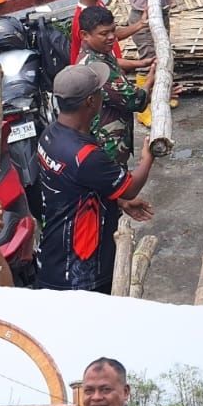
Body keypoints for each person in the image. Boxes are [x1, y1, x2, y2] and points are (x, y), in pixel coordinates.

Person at [36, 63, 155, 293]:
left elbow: (73, 185)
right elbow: (130, 187)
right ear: (91, 101)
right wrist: (148, 158)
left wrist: (117, 201)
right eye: (100, 91)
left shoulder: (50, 135)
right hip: (81, 268)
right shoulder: (85, 155)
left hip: (53, 257)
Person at [78, 6, 150, 169]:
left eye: (113, 30)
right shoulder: (97, 68)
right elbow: (135, 101)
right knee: (112, 180)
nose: (112, 37)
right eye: (104, 33)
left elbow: (113, 62)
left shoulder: (93, 52)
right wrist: (150, 80)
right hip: (108, 142)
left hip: (107, 135)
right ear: (85, 35)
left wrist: (139, 63)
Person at [69, 0, 145, 68]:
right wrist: (141, 63)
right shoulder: (82, 20)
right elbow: (101, 61)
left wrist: (140, 24)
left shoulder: (99, 4)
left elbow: (112, 36)